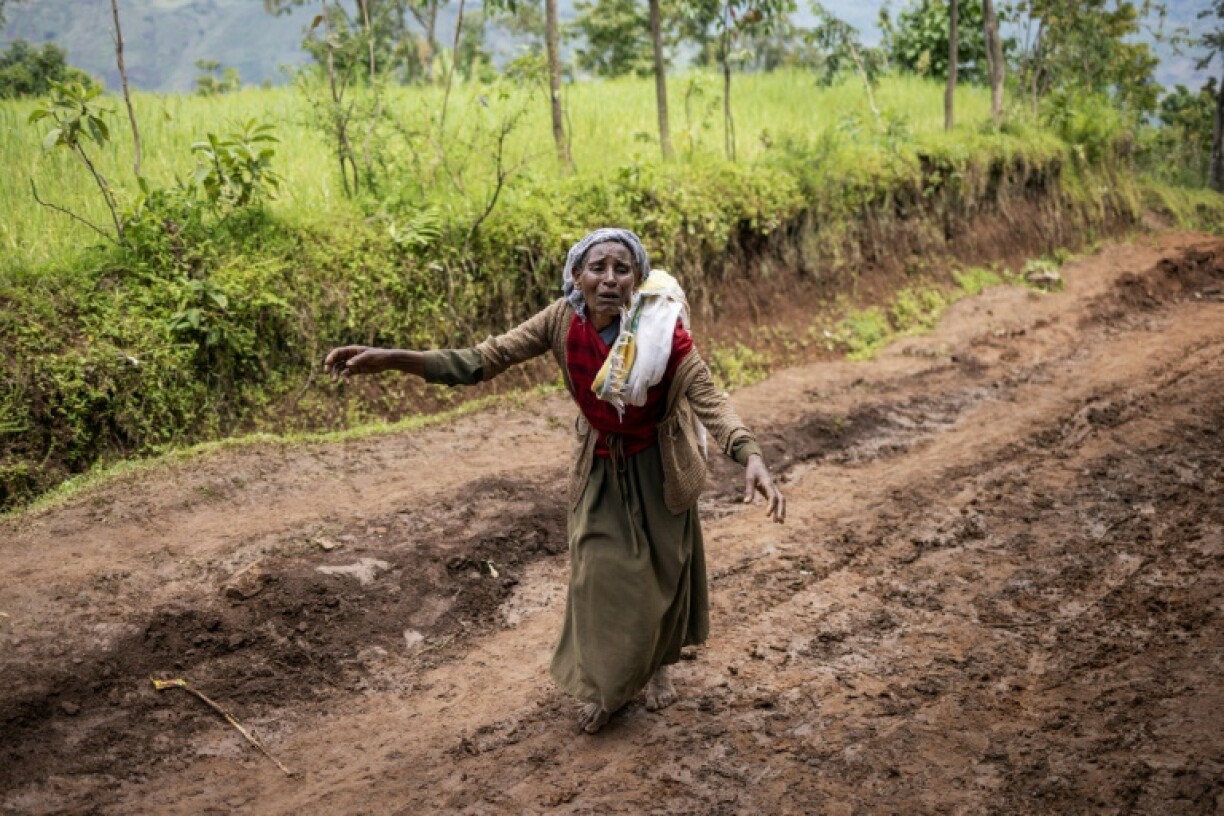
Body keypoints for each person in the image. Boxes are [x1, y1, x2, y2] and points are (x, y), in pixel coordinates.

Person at [324, 228, 785, 734]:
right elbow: (480, 360)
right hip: (601, 464)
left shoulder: (660, 329)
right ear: (576, 276)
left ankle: (659, 666)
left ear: (637, 279)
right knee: (595, 575)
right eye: (597, 267)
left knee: (660, 576)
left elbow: (708, 396)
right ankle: (608, 688)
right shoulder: (561, 320)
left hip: (659, 465)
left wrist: (749, 454)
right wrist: (390, 359)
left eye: (622, 269)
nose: (609, 279)